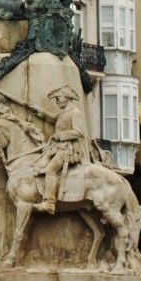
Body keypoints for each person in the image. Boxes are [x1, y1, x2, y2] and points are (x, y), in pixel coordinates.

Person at [34, 86, 90, 214]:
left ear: (66, 97)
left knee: (50, 170)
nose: (57, 102)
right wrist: (38, 111)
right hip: (57, 148)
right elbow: (53, 117)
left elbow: (80, 132)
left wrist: (60, 135)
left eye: (58, 99)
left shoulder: (75, 112)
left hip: (68, 150)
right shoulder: (64, 112)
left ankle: (49, 202)